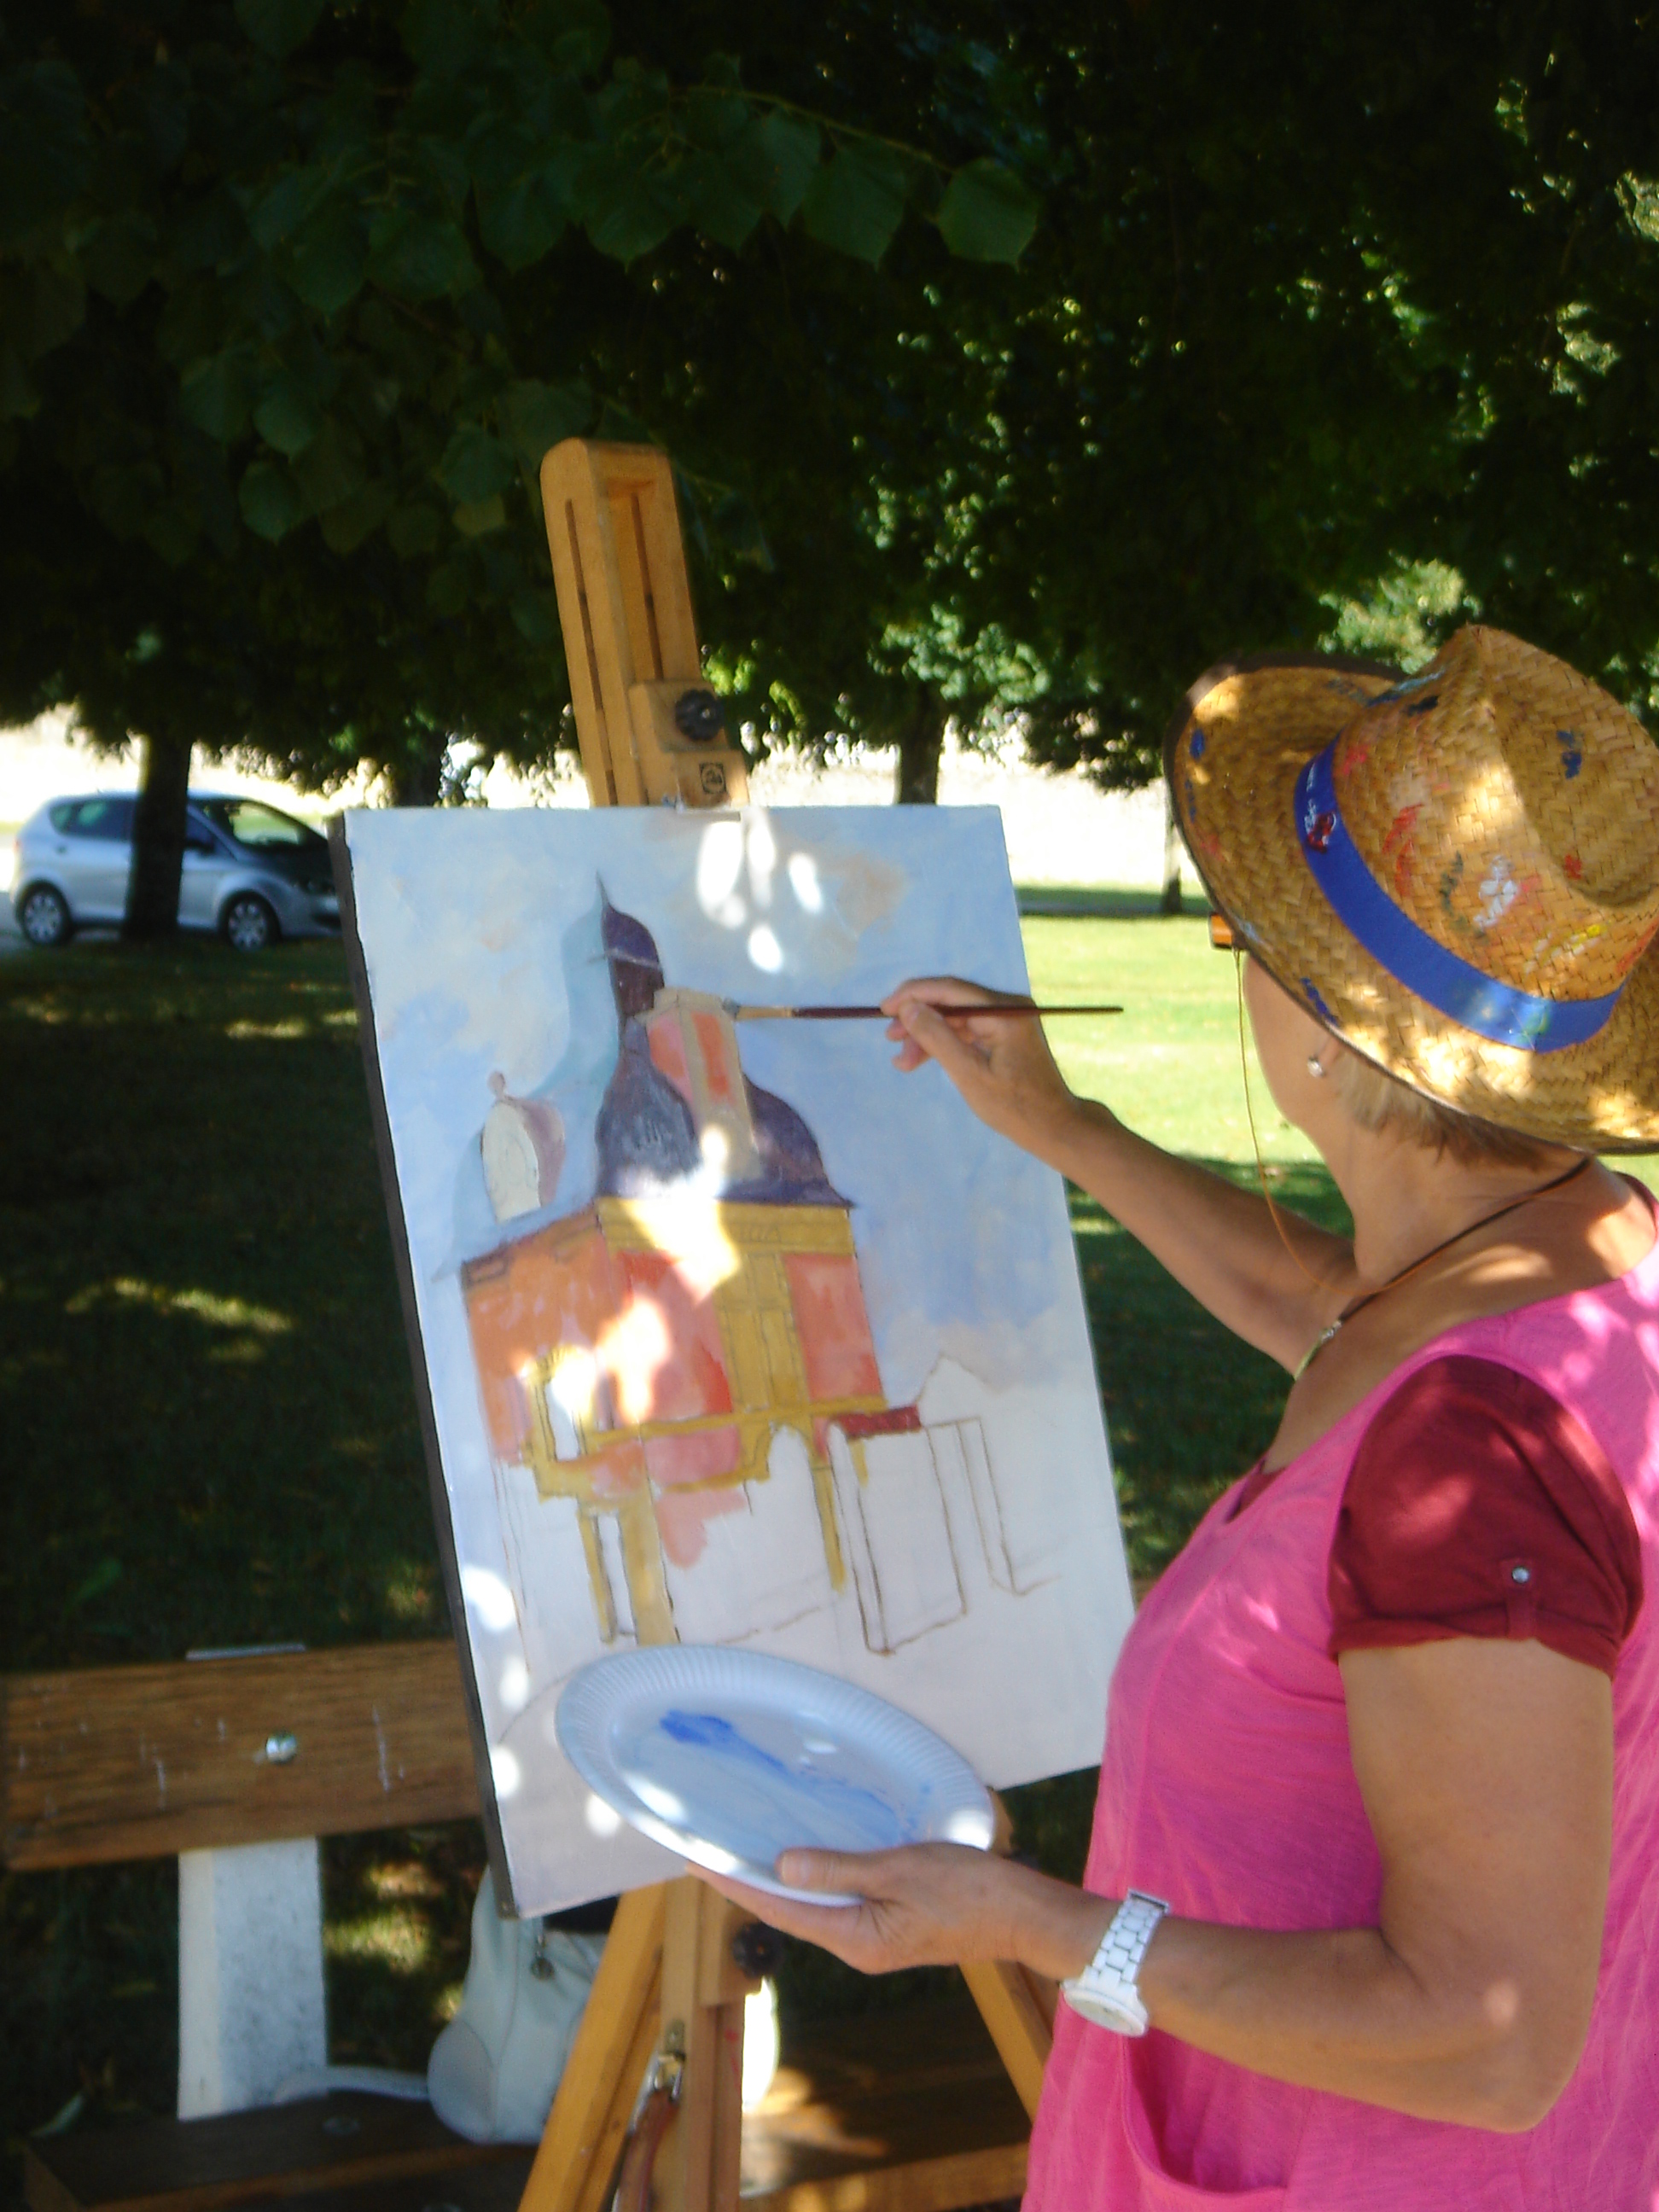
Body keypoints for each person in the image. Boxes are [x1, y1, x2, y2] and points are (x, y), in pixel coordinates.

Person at [698, 626, 1659, 2207]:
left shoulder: (1471, 1456)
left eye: (1247, 940)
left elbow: (1488, 2039)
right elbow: (1337, 1327)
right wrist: (1065, 1127)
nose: (1232, 950)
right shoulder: (1586, 1251)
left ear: (1334, 1037)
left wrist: (1028, 1924)